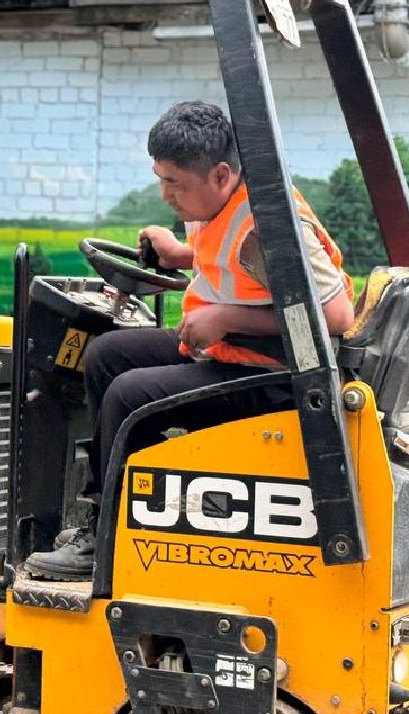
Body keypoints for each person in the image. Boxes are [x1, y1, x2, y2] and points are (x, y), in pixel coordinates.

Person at [24, 100, 356, 580]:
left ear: (221, 175)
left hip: (271, 375)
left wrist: (225, 318)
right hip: (231, 352)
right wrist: (178, 254)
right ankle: (138, 499)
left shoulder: (269, 228)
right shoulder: (219, 204)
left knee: (127, 394)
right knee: (104, 356)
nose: (165, 195)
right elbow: (228, 265)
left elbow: (336, 315)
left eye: (175, 183)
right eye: (161, 178)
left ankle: (104, 541)